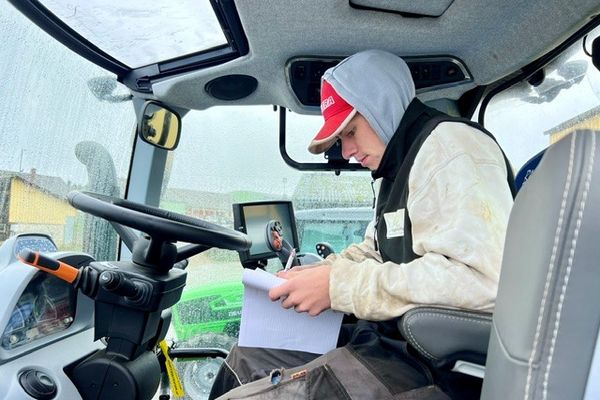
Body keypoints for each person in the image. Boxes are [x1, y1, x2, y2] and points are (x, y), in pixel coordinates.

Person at [209, 49, 515, 400]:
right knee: (243, 361)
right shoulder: (396, 168)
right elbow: (375, 250)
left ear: (381, 107)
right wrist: (321, 274)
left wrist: (338, 286)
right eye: (342, 139)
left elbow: (480, 281)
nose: (348, 150)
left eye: (350, 131)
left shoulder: (451, 148)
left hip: (428, 368)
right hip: (385, 346)